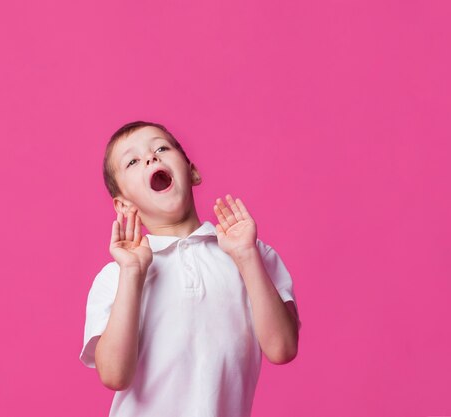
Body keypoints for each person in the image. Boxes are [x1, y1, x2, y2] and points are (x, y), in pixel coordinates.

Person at [80, 120, 302, 417]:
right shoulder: (117, 276)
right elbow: (114, 375)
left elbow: (282, 348)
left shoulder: (250, 254)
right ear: (123, 206)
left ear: (192, 171)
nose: (151, 157)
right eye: (132, 161)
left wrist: (246, 256)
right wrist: (133, 274)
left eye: (161, 147)